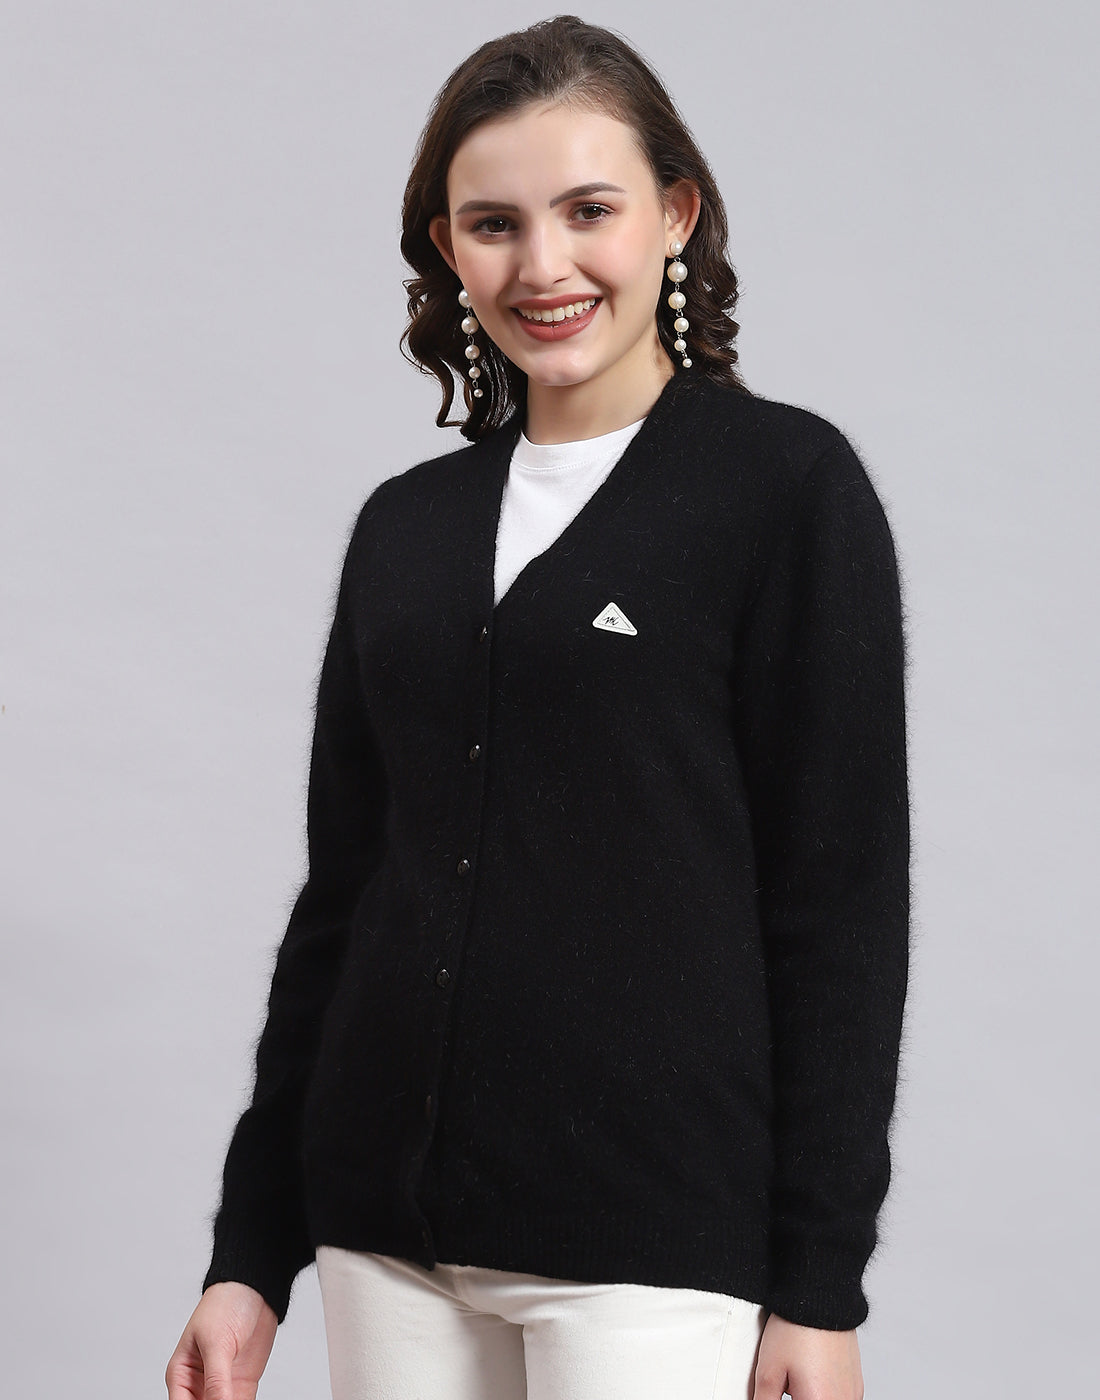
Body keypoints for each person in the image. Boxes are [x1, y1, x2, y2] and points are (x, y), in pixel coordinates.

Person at [166, 15, 909, 1400]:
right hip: (385, 1239)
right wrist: (249, 1251)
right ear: (448, 250)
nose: (543, 265)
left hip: (647, 1242)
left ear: (676, 215)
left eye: (589, 211)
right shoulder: (405, 526)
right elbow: (343, 899)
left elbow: (841, 909)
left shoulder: (784, 491)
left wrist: (819, 1284)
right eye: (495, 224)